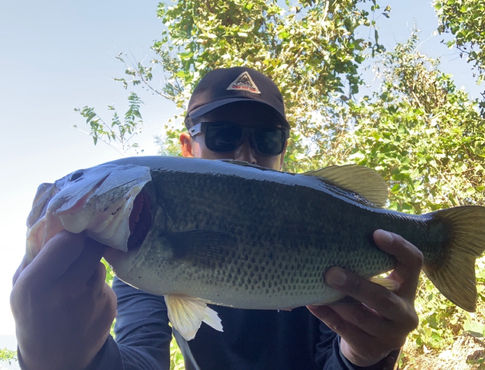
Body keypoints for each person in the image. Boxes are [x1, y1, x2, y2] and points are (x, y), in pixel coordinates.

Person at [11, 66, 423, 370]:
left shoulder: (325, 233)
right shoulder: (139, 263)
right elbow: (142, 360)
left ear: (283, 150)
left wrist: (365, 355)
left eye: (266, 139)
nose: (246, 154)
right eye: (223, 134)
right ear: (188, 148)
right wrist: (68, 359)